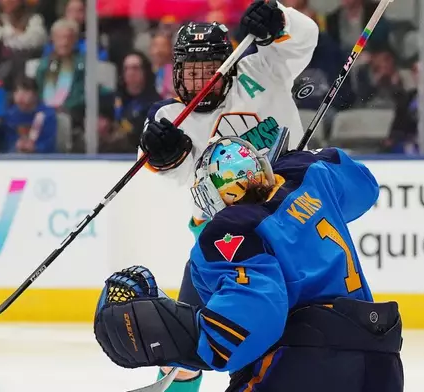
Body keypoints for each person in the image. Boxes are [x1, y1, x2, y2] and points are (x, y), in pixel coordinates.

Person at [94, 136, 404, 392]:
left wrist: (177, 336)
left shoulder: (234, 226)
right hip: (381, 358)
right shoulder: (312, 177)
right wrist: (301, 159)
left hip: (308, 365)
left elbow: (257, 312)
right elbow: (364, 185)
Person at [138, 0, 318, 389]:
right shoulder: (172, 118)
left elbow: (306, 38)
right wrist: (161, 154)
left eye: (210, 70)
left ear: (231, 63)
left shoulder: (264, 68)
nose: (201, 80)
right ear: (175, 73)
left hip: (288, 228)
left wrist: (280, 17)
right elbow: (172, 166)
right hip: (222, 246)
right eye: (191, 71)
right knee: (184, 351)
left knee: (289, 343)